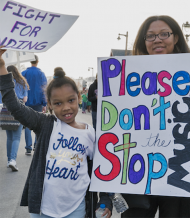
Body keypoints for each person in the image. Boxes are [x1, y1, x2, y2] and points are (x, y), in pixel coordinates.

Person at [122, 15, 190, 218]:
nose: (157, 39)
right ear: (143, 41)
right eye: (151, 36)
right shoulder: (127, 75)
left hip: (179, 171)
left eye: (164, 34)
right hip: (140, 170)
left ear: (176, 38)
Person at [0, 50, 112, 218]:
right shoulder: (45, 124)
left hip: (76, 208)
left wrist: (105, 199)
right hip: (43, 209)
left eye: (71, 100)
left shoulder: (90, 133)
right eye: (58, 103)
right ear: (50, 105)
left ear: (79, 99)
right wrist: (1, 66)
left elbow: (101, 169)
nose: (66, 107)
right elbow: (14, 106)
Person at [0, 65, 29, 171]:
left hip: (6, 109)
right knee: (16, 137)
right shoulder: (22, 82)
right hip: (18, 108)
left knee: (9, 137)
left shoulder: (3, 82)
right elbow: (25, 99)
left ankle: (9, 160)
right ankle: (13, 160)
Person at [22, 55, 47, 155]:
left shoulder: (24, 73)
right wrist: (44, 104)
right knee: (38, 124)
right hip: (38, 102)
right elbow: (44, 89)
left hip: (26, 101)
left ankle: (28, 147)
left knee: (27, 124)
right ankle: (36, 145)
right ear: (37, 61)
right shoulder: (41, 73)